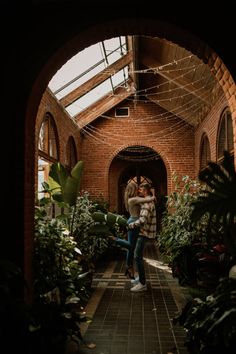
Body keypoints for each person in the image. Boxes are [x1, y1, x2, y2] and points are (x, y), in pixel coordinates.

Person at [111, 181, 155, 279]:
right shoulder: (133, 199)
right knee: (131, 246)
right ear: (133, 189)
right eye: (136, 188)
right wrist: (152, 197)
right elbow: (150, 198)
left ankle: (129, 267)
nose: (138, 190)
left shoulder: (131, 199)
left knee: (130, 248)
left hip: (133, 220)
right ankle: (115, 240)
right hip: (134, 221)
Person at [128, 183, 157, 292]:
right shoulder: (149, 201)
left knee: (137, 256)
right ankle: (140, 279)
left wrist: (131, 225)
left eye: (140, 189)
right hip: (145, 232)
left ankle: (142, 283)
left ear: (145, 190)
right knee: (138, 256)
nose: (139, 191)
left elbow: (142, 220)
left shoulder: (147, 204)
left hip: (144, 232)